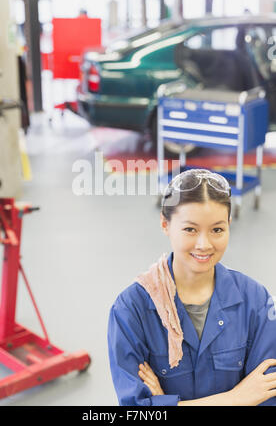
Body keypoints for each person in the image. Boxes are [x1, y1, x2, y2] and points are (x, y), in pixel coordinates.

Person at [107, 169, 276, 406]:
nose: (204, 244)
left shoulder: (256, 301)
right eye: (190, 229)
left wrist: (166, 403)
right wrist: (236, 398)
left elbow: (267, 396)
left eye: (217, 229)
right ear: (165, 224)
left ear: (228, 225)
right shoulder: (130, 309)